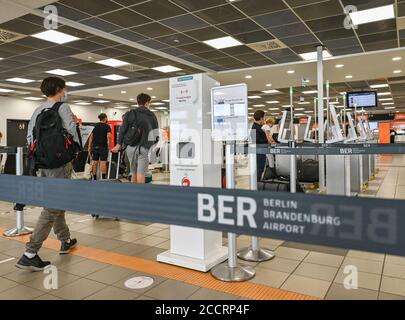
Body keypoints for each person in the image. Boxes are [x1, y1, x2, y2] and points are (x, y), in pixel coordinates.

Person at [16, 77, 78, 271]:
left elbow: (29, 137)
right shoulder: (62, 107)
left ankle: (65, 239)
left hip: (42, 163)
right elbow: (72, 132)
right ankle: (30, 253)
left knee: (55, 202)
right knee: (52, 207)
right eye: (64, 89)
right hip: (59, 164)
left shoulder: (38, 110)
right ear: (60, 89)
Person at [112, 93, 159, 184]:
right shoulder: (151, 115)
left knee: (133, 173)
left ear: (138, 102)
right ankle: (140, 195)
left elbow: (123, 130)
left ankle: (133, 193)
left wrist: (118, 144)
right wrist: (154, 146)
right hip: (144, 147)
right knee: (141, 173)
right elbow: (155, 132)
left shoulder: (130, 113)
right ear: (147, 103)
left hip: (130, 147)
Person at [88, 113, 111, 180]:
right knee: (103, 162)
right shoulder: (107, 126)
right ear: (105, 118)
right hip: (103, 147)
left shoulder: (95, 125)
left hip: (95, 146)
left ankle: (94, 178)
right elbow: (108, 136)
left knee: (94, 162)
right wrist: (108, 145)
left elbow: (91, 137)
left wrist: (89, 146)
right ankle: (103, 178)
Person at [251, 110, 268, 182]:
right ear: (261, 118)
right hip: (259, 153)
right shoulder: (255, 128)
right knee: (259, 170)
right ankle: (257, 186)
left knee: (259, 170)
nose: (264, 119)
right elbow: (256, 141)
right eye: (264, 117)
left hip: (260, 152)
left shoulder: (258, 127)